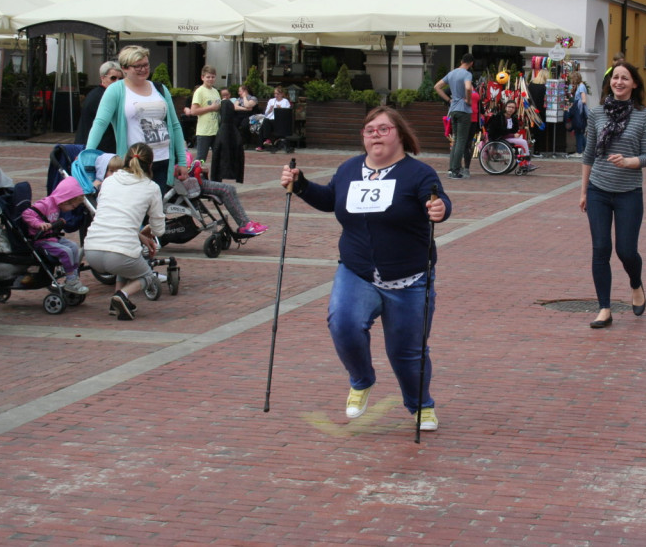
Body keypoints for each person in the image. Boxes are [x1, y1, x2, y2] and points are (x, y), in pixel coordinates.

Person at [281, 106, 451, 431]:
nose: (375, 134)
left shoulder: (418, 173)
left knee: (407, 352)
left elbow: (438, 200)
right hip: (357, 271)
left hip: (409, 277)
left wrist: (440, 208)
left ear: (399, 134)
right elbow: (331, 198)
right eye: (369, 129)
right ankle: (361, 381)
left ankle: (420, 405)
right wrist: (300, 185)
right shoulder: (349, 169)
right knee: (343, 324)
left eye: (383, 129)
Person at [579, 62, 646, 329]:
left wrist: (629, 161)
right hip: (599, 190)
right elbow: (589, 154)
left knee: (626, 251)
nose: (619, 82)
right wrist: (584, 191)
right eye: (615, 78)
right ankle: (604, 309)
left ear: (634, 84)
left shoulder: (644, 116)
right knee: (600, 249)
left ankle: (636, 284)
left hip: (629, 193)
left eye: (625, 78)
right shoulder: (597, 113)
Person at [85, 45, 188, 191]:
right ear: (124, 68)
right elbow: (100, 123)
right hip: (134, 162)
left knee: (157, 208)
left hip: (163, 159)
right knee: (136, 209)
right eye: (137, 66)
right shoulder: (116, 90)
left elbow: (175, 125)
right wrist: (87, 154)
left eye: (145, 65)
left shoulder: (160, 89)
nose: (143, 69)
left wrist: (182, 161)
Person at [83, 143, 166, 321]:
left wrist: (140, 236)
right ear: (150, 165)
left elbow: (116, 219)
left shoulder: (109, 181)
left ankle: (116, 302)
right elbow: (159, 229)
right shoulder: (151, 187)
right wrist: (148, 232)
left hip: (92, 251)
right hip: (120, 255)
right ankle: (123, 295)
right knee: (148, 277)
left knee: (126, 256)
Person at [21, 176, 89, 295]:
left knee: (73, 247)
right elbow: (27, 214)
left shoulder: (57, 206)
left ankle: (73, 275)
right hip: (41, 240)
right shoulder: (46, 204)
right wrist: (39, 224)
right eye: (72, 207)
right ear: (65, 200)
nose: (71, 209)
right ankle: (70, 280)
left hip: (52, 238)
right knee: (66, 251)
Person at [187, 152, 266, 236]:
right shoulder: (175, 146)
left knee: (228, 189)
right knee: (228, 190)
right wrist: (197, 167)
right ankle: (245, 224)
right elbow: (182, 168)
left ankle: (245, 223)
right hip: (190, 183)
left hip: (188, 182)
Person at [434, 52, 474, 180]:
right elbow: (468, 88)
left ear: (461, 60)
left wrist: (448, 100)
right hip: (463, 110)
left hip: (453, 109)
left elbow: (437, 87)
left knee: (456, 140)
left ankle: (451, 169)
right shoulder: (467, 74)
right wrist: (468, 100)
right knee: (461, 141)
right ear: (471, 63)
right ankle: (455, 169)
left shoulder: (451, 73)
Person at [74, 61, 123, 152]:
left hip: (95, 146)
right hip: (98, 148)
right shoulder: (102, 96)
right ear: (102, 78)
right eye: (113, 78)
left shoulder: (97, 93)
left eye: (120, 79)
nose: (117, 82)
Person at [486, 99, 537, 174]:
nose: (511, 109)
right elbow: (497, 130)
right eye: (509, 107)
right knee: (523, 142)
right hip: (499, 137)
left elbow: (514, 130)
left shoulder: (514, 118)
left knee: (523, 142)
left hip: (509, 137)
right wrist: (512, 135)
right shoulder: (498, 117)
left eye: (513, 108)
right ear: (505, 107)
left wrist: (515, 133)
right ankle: (526, 163)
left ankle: (524, 161)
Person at [187, 65, 222, 163]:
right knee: (201, 159)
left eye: (213, 77)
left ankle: (216, 177)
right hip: (204, 131)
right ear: (202, 77)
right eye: (208, 77)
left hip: (216, 130)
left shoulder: (215, 91)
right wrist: (211, 108)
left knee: (218, 158)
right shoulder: (199, 91)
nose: (210, 79)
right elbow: (193, 111)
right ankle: (199, 177)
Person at [256, 86, 292, 152]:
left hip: (279, 120)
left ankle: (266, 141)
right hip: (270, 119)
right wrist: (270, 109)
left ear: (281, 94)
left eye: (278, 94)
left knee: (265, 124)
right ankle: (264, 143)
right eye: (275, 94)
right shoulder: (271, 101)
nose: (276, 95)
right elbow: (266, 113)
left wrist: (280, 108)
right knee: (263, 125)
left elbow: (287, 113)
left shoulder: (285, 101)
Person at [462, 84, 481, 178]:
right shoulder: (460, 87)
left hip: (473, 120)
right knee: (464, 144)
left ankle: (466, 168)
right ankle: (463, 168)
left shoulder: (472, 87)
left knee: (467, 144)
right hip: (464, 119)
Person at [527, 69, 548, 156]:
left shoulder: (531, 84)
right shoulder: (544, 87)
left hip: (531, 110)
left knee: (531, 130)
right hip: (541, 111)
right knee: (539, 131)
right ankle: (537, 150)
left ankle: (530, 148)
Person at [568, 71, 588, 157]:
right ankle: (587, 149)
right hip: (580, 112)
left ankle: (580, 151)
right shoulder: (580, 86)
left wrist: (576, 103)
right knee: (580, 132)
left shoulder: (581, 87)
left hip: (579, 112)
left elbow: (583, 100)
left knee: (579, 132)